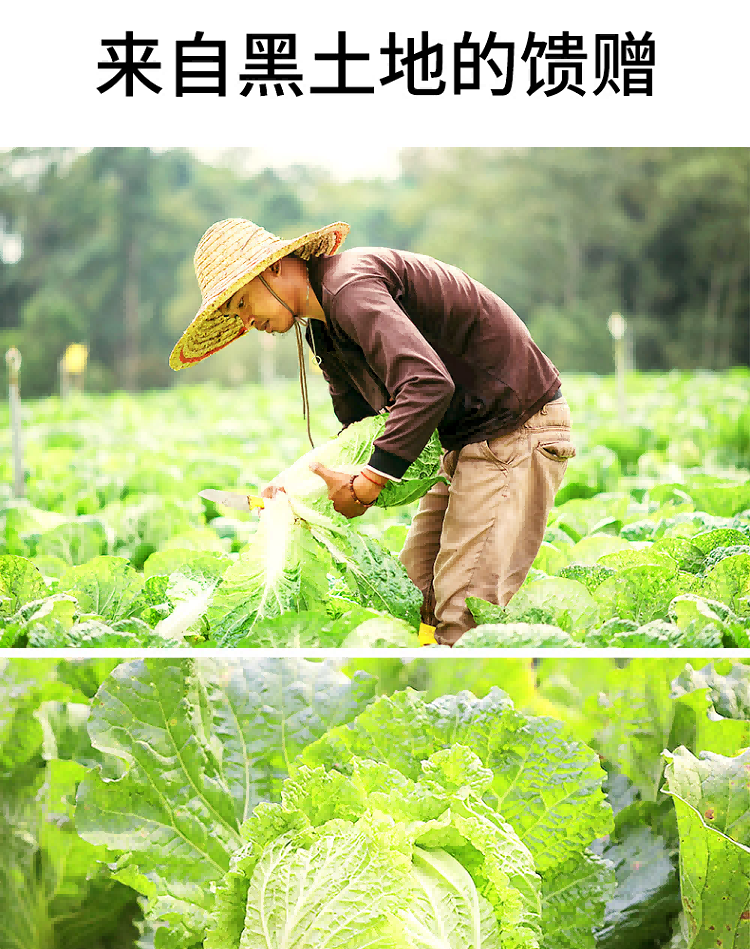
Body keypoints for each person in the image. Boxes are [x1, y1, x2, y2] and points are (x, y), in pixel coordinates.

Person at [170, 218, 575, 645]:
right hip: (465, 439)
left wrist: (370, 480)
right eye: (235, 314)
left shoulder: (350, 289)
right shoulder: (323, 330)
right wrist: (298, 490)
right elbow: (362, 429)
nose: (247, 321)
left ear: (274, 269)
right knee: (411, 598)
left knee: (462, 614)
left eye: (243, 302)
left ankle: (476, 701)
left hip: (515, 428)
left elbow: (427, 384)